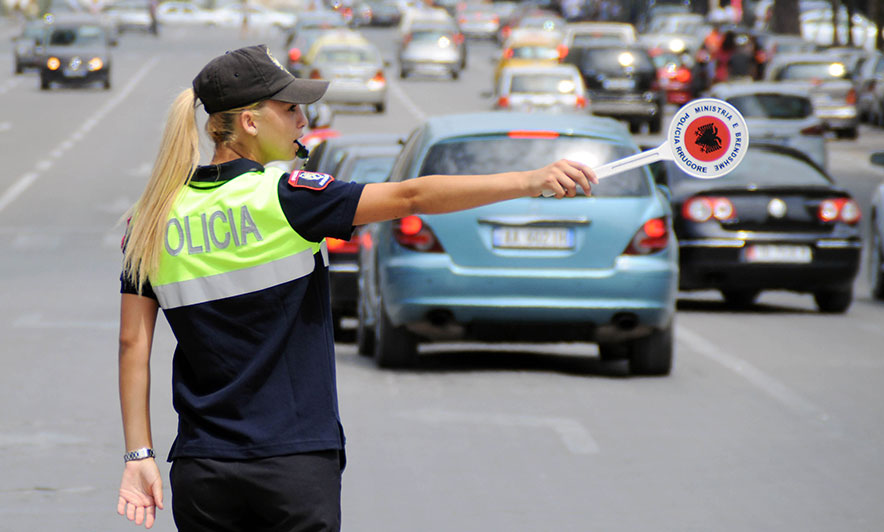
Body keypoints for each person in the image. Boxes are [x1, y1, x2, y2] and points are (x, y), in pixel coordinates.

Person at [115, 44, 597, 531]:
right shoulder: (285, 199)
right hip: (294, 463)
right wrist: (529, 180)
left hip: (202, 469)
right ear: (250, 124)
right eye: (290, 109)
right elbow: (411, 195)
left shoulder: (153, 218)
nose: (303, 120)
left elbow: (132, 344)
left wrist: (139, 455)